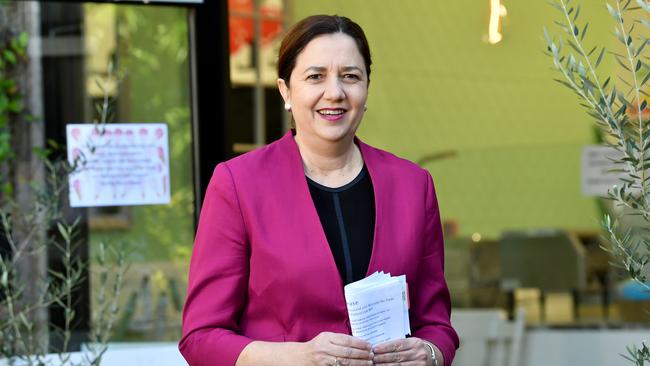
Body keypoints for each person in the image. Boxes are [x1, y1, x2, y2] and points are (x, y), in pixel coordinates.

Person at [179, 15, 458, 366]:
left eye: (351, 76)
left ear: (366, 88)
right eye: (315, 77)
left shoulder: (413, 185)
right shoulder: (238, 184)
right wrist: (302, 356)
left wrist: (430, 353)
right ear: (286, 91)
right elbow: (201, 338)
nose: (335, 92)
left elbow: (436, 324)